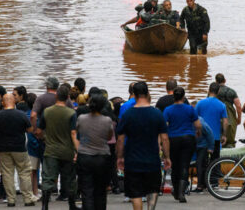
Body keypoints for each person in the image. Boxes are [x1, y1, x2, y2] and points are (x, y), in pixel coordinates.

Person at [116, 81, 171, 210]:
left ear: (133, 95)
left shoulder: (127, 115)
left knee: (135, 194)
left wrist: (119, 157)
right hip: (152, 160)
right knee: (152, 190)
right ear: (147, 93)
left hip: (132, 160)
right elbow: (165, 138)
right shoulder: (157, 114)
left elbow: (120, 139)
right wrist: (167, 157)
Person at [0, 94, 38, 207]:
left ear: (3, 103)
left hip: (3, 148)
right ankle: (27, 198)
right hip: (19, 148)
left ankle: (11, 200)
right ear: (14, 102)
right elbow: (30, 129)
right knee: (24, 172)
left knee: (7, 174)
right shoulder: (21, 115)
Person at [37, 84, 78, 210]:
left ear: (56, 96)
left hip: (51, 150)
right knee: (70, 179)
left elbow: (38, 131)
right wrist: (77, 150)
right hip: (67, 151)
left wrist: (45, 139)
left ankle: (45, 206)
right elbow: (73, 133)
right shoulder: (71, 113)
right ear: (67, 98)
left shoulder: (47, 112)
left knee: (48, 179)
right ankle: (72, 205)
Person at [74, 94, 114, 210]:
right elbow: (109, 136)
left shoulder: (81, 118)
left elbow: (78, 132)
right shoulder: (107, 120)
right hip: (102, 158)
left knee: (86, 190)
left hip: (85, 157)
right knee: (101, 190)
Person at [163, 87, 201, 202]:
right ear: (184, 97)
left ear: (173, 97)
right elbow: (198, 125)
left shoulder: (168, 110)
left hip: (173, 140)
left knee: (174, 166)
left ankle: (175, 189)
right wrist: (198, 133)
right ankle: (181, 193)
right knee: (185, 165)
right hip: (188, 139)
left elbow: (164, 126)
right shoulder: (190, 109)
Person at [195, 83, 228, 189]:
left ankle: (202, 184)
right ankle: (214, 183)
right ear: (218, 92)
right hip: (216, 138)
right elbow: (225, 122)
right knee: (215, 160)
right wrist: (224, 135)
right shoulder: (221, 105)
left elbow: (194, 119)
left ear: (209, 90)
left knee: (202, 161)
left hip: (202, 137)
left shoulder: (200, 103)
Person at [215, 73, 242, 148]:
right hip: (230, 118)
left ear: (216, 82)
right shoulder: (231, 91)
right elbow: (238, 106)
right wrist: (239, 118)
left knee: (217, 140)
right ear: (225, 80)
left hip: (217, 118)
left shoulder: (214, 92)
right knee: (230, 141)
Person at [24, 93, 42, 200]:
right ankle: (44, 191)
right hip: (41, 145)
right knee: (44, 170)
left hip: (30, 146)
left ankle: (33, 192)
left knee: (32, 170)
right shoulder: (40, 116)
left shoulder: (26, 115)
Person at [193, 117, 215, 193]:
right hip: (195, 146)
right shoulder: (188, 122)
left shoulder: (202, 125)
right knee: (201, 165)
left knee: (199, 164)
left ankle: (200, 186)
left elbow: (211, 135)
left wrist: (211, 147)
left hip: (204, 146)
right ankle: (204, 184)